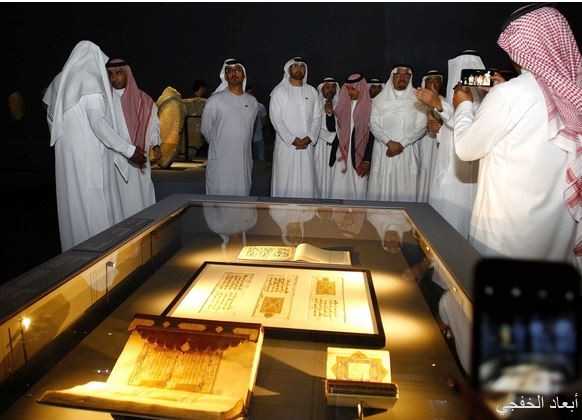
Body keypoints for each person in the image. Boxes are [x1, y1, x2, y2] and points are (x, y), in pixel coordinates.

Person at [453, 5, 580, 264]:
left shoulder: (510, 95)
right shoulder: (571, 92)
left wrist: (463, 106)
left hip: (506, 237)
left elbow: (466, 149)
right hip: (556, 234)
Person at [43, 40, 146, 251]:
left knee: (75, 209)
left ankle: (76, 258)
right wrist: (129, 150)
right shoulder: (90, 82)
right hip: (91, 159)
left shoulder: (60, 81)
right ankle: (100, 260)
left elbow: (47, 106)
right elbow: (98, 124)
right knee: (97, 210)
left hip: (68, 161)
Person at [415, 51, 484, 238]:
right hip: (445, 169)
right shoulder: (453, 103)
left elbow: (466, 125)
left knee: (455, 223)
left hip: (461, 178)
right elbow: (452, 128)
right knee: (440, 222)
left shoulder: (480, 105)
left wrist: (439, 105)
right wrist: (438, 130)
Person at [106, 58, 162, 219]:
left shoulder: (144, 100)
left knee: (140, 202)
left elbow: (154, 125)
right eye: (111, 74)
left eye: (118, 73)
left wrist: (156, 144)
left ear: (127, 74)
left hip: (139, 160)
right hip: (115, 161)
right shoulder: (105, 101)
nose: (114, 78)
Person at [367, 65, 427, 202]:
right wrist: (388, 142)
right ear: (392, 76)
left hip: (408, 152)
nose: (402, 77)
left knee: (406, 191)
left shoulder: (418, 99)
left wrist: (402, 144)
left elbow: (422, 126)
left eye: (406, 75)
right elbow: (373, 124)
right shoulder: (379, 100)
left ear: (410, 78)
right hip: (384, 151)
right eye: (398, 74)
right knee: (381, 192)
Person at [201, 58, 257, 196]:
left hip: (243, 162)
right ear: (225, 76)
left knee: (242, 199)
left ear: (243, 74)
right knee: (219, 198)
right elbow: (206, 130)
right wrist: (220, 146)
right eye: (229, 70)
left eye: (237, 70)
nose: (233, 73)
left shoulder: (252, 102)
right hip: (221, 161)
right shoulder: (214, 101)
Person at [270, 57, 321, 198]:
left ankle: (306, 211)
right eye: (295, 66)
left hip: (307, 146)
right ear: (288, 69)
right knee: (285, 182)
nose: (299, 69)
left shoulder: (312, 91)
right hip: (286, 146)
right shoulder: (279, 91)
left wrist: (310, 137)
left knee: (306, 181)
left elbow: (317, 117)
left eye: (302, 66)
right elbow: (276, 118)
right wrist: (292, 139)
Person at [328, 73, 374, 200]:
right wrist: (330, 114)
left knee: (358, 189)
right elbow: (332, 128)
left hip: (359, 157)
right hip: (342, 156)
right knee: (339, 189)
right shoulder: (342, 105)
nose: (349, 92)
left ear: (361, 88)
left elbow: (372, 136)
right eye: (347, 89)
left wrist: (367, 160)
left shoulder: (371, 107)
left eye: (352, 89)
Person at [414, 69, 444, 203]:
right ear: (424, 83)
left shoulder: (445, 103)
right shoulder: (415, 102)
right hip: (419, 144)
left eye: (437, 80)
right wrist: (427, 127)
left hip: (438, 147)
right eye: (430, 80)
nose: (433, 84)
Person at [314, 77, 339, 199]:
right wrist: (330, 136)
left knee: (334, 178)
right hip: (318, 146)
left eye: (333, 86)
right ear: (322, 89)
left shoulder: (340, 104)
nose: (331, 89)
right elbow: (310, 127)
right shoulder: (314, 104)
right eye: (328, 86)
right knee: (318, 175)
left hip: (336, 148)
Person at [245, 85, 268, 161]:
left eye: (251, 93)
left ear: (253, 93)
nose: (250, 95)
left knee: (261, 161)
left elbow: (264, 122)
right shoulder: (241, 107)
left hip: (258, 139)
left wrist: (256, 128)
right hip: (245, 140)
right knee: (246, 162)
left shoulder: (260, 106)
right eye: (248, 93)